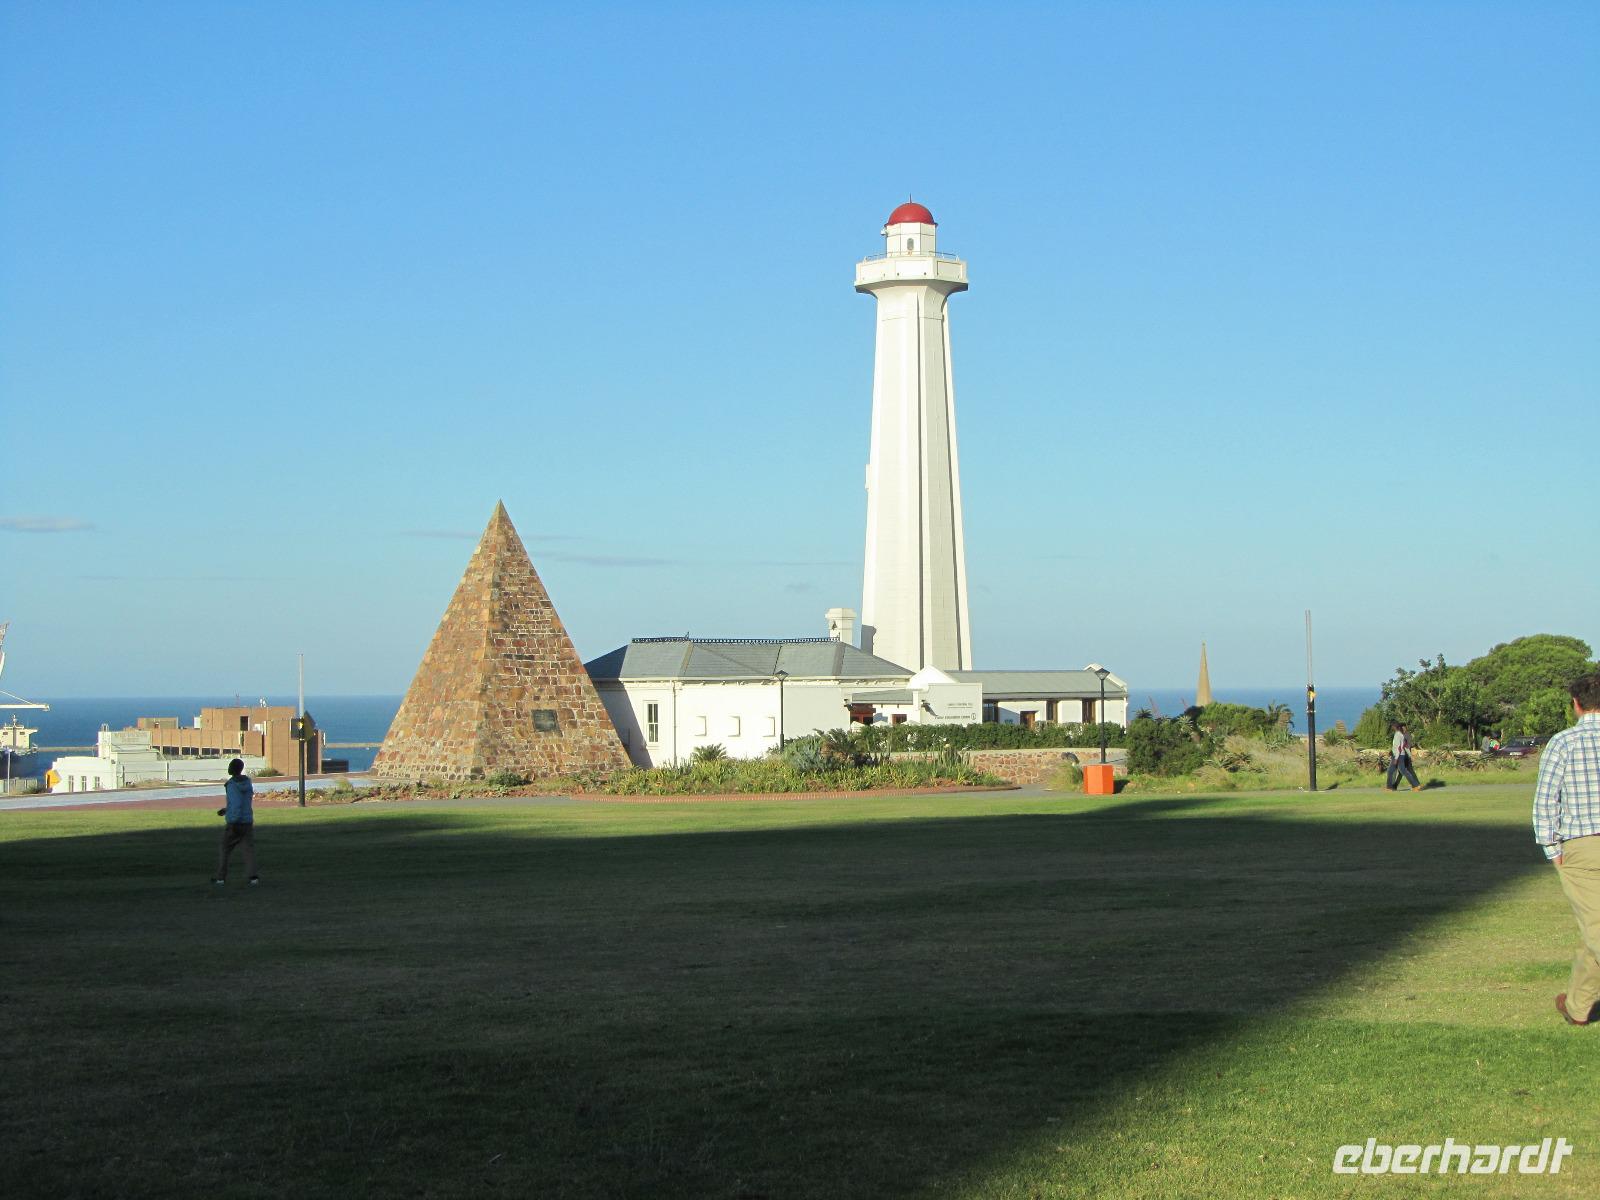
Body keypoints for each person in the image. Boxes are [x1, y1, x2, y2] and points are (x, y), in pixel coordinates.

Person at [1533, 672, 1600, 1025]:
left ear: (1576, 704)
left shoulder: (1563, 742)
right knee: (1593, 930)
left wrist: (1551, 847)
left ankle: (1577, 1007)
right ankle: (1577, 1006)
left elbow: (1546, 801)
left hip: (1582, 848)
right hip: (1582, 848)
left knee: (1596, 927)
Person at [212, 758, 259, 886]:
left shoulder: (232, 785)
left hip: (235, 822)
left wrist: (233, 819)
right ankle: (253, 877)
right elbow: (242, 802)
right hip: (247, 820)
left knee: (225, 849)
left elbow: (236, 803)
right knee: (248, 850)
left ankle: (221, 878)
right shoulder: (247, 782)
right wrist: (227, 810)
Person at [1385, 722, 1422, 791]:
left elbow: (1399, 748)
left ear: (1395, 727)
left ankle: (1416, 785)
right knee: (1391, 771)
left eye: (1392, 726)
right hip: (1399, 755)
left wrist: (1396, 758)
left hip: (1398, 756)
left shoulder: (1397, 735)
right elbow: (1404, 746)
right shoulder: (1401, 735)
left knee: (1403, 771)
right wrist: (1392, 752)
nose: (1392, 727)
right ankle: (1389, 787)